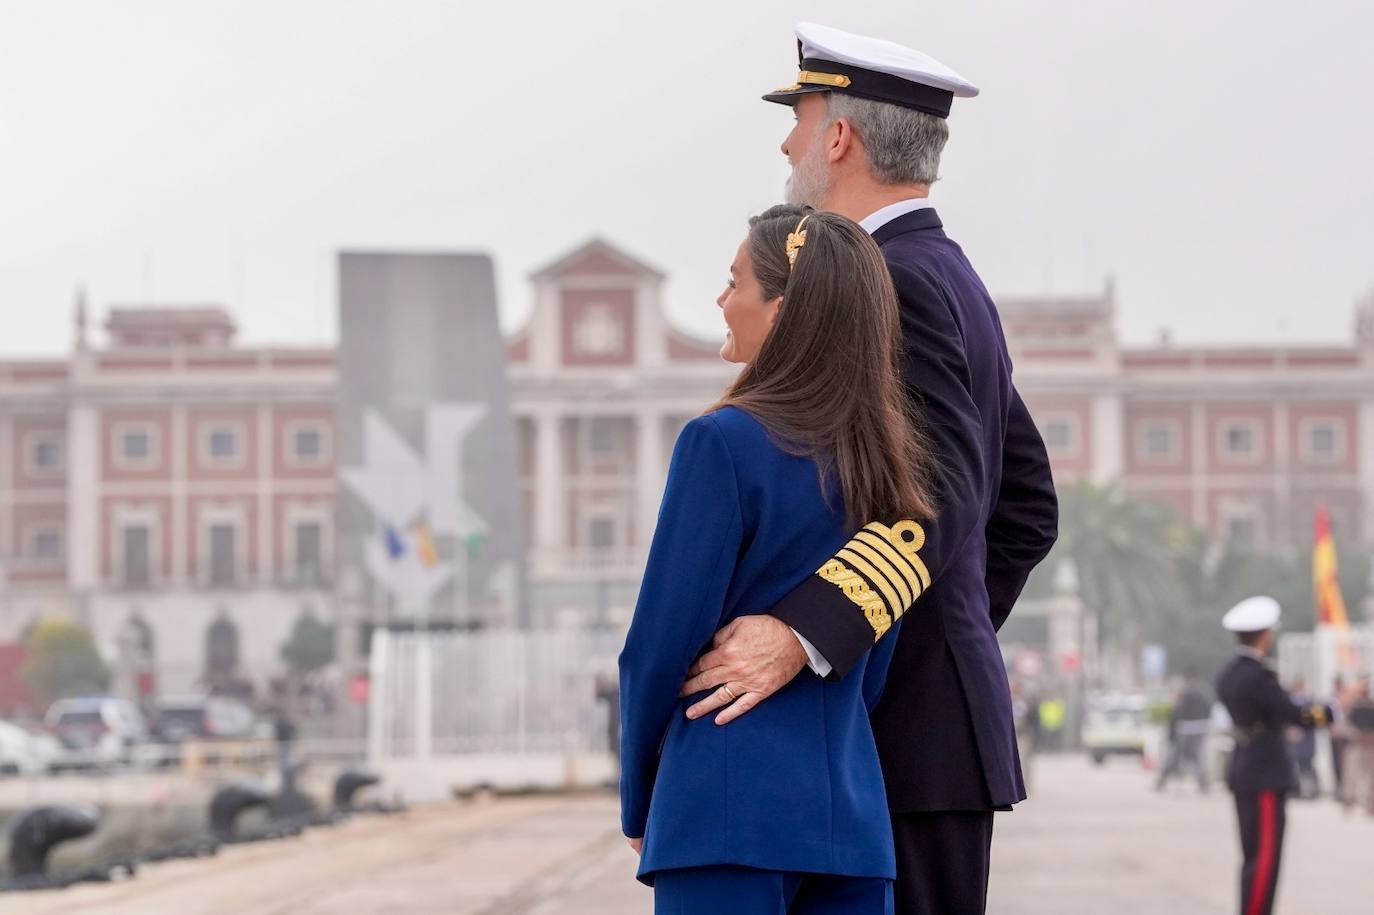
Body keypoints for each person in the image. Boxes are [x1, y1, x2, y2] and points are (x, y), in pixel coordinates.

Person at [675, 23, 1059, 914]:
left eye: (800, 120)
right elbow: (1028, 504)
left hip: (905, 737)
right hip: (930, 728)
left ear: (839, 137)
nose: (786, 145)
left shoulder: (895, 281)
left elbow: (948, 494)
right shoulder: (948, 271)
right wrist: (949, 628)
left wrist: (813, 634)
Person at [619, 205, 937, 913]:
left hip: (723, 810)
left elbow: (659, 643)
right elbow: (873, 651)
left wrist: (643, 799)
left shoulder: (722, 442)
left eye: (736, 283)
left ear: (783, 310)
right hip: (850, 820)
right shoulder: (883, 463)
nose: (722, 301)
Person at [1214, 597, 1331, 915]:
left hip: (1243, 767)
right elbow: (1294, 713)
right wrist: (1329, 711)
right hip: (1264, 772)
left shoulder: (1228, 673)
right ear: (1265, 635)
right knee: (1265, 858)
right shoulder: (1258, 676)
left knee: (1251, 856)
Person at [1156, 668, 1213, 793]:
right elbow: (1209, 709)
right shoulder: (1204, 691)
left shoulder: (1185, 692)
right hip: (1200, 727)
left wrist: (1172, 729)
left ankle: (1162, 779)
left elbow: (1178, 712)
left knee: (1175, 756)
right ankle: (1203, 783)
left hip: (1185, 728)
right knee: (1197, 757)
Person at [1284, 676, 1319, 799]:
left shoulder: (1310, 701)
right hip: (1291, 740)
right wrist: (1289, 731)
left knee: (1306, 766)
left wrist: (1303, 731)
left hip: (1306, 739)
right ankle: (1294, 790)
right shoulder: (1288, 700)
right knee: (1292, 767)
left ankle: (1309, 791)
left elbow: (1316, 720)